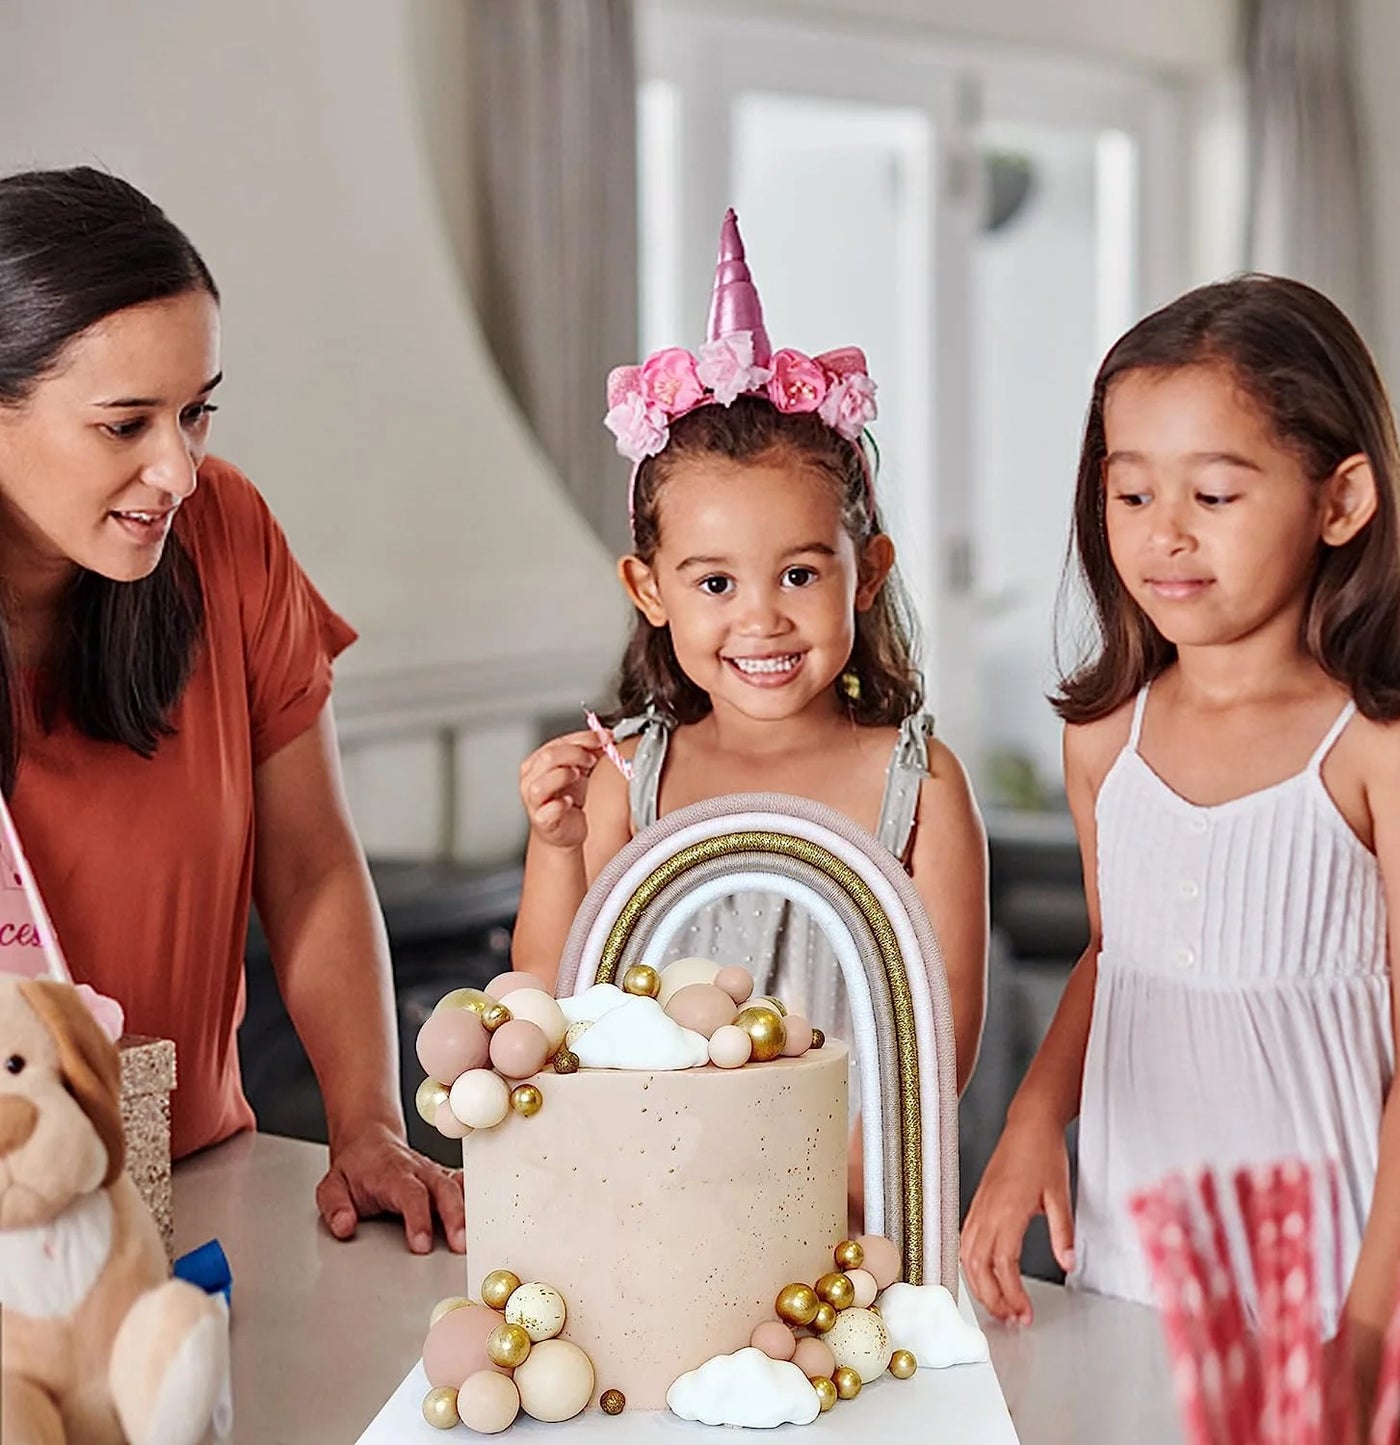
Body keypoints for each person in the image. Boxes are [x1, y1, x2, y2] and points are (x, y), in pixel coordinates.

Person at [959, 274, 1400, 1414]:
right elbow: (1113, 954)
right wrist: (1034, 1116)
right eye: (1129, 494)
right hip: (1138, 1253)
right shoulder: (1100, 733)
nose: (1162, 534)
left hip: (1333, 1269)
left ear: (1339, 500)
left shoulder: (1384, 743)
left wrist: (1372, 1316)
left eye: (1214, 493)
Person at [0, 165, 462, 1253]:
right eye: (124, 426)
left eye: (196, 411)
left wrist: (369, 1122)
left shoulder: (227, 540)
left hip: (203, 1192)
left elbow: (310, 867)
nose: (179, 469)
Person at [512, 210, 989, 1224]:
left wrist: (819, 1200)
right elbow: (552, 1002)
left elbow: (935, 1048)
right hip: (648, 1215)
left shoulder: (920, 787)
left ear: (869, 577)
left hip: (846, 1233)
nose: (760, 616)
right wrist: (556, 850)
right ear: (648, 588)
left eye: (800, 572)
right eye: (715, 580)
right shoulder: (625, 777)